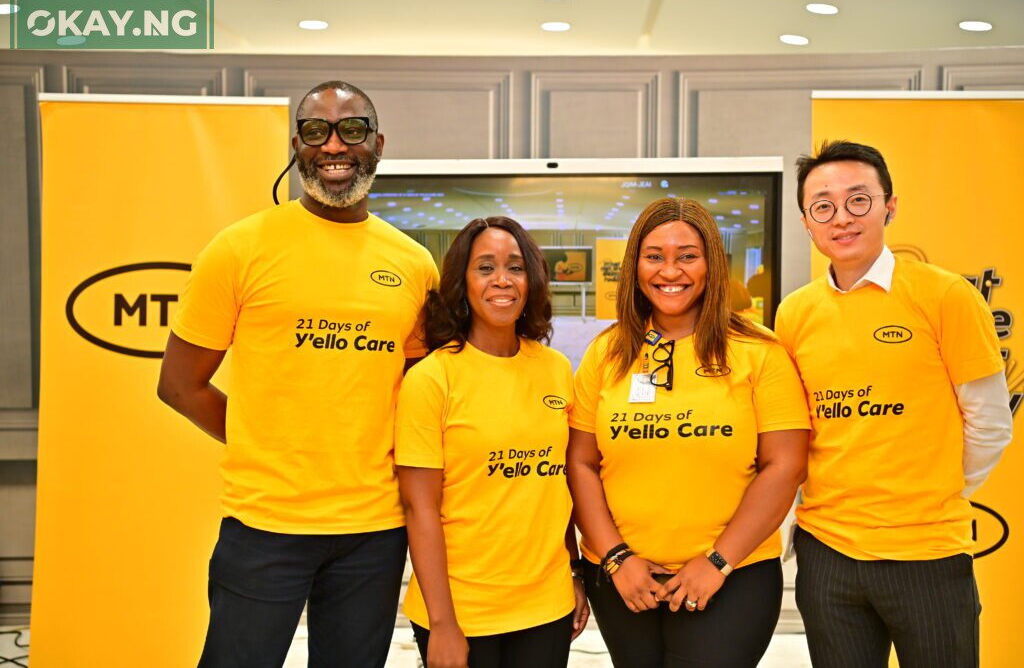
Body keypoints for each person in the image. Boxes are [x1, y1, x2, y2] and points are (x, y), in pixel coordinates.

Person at [157, 80, 438, 668]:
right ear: (296, 144)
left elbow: (417, 398)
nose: (334, 145)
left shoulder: (413, 264)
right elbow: (179, 385)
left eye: (352, 129)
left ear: (378, 143)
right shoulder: (239, 248)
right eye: (316, 131)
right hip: (264, 524)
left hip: (374, 530)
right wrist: (268, 440)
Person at [776, 140, 1014, 668]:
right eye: (823, 206)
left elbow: (990, 424)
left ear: (890, 205)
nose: (842, 217)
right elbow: (794, 430)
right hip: (828, 552)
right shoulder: (794, 313)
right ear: (807, 222)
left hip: (927, 553)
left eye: (858, 200)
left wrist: (929, 490)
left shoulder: (946, 295)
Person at [567, 197, 810, 668]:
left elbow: (786, 465)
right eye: (654, 256)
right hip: (623, 579)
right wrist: (617, 558)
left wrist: (717, 562)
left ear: (712, 264)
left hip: (731, 577)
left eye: (687, 256)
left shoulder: (759, 352)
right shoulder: (607, 352)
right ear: (635, 265)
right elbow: (580, 462)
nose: (669, 270)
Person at [395, 216, 589, 668]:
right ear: (462, 281)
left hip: (547, 605)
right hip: (464, 610)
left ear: (533, 279)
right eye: (485, 267)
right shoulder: (432, 378)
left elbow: (555, 484)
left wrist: (575, 572)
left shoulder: (556, 368)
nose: (502, 280)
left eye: (515, 267)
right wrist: (442, 624)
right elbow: (419, 508)